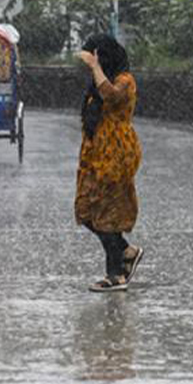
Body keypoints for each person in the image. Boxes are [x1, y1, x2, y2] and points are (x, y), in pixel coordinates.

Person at [75, 34, 143, 292]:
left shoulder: (125, 81)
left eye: (97, 58)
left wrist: (95, 67)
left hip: (116, 154)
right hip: (95, 154)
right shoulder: (97, 83)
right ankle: (127, 251)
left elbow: (111, 96)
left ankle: (116, 275)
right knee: (87, 210)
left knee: (107, 213)